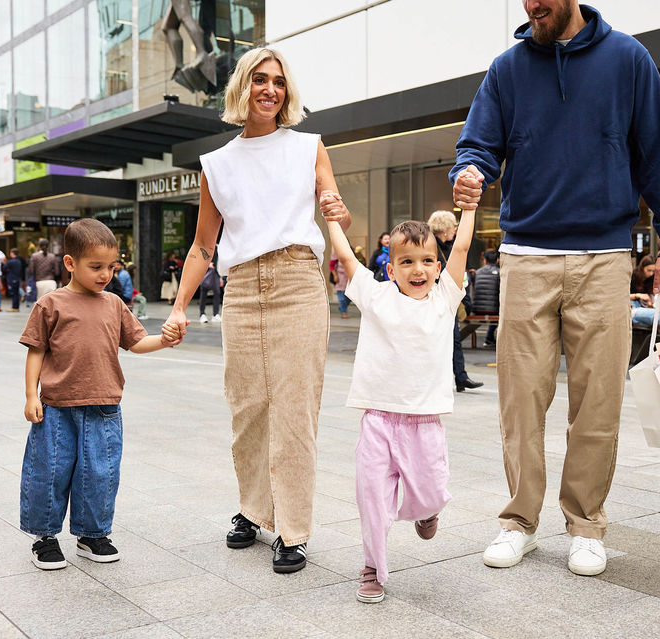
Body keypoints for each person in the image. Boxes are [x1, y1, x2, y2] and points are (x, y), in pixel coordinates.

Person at [451, 0, 660, 576]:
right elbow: (477, 142)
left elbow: (659, 152)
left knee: (597, 401)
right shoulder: (507, 69)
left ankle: (585, 523)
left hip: (604, 256)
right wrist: (472, 168)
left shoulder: (628, 59)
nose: (533, 5)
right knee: (520, 400)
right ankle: (519, 523)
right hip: (526, 254)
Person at [161, 47, 352, 574]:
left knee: (294, 409)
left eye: (279, 82)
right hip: (241, 286)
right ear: (242, 87)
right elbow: (203, 247)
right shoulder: (216, 164)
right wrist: (178, 308)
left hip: (296, 280)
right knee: (247, 408)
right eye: (260, 80)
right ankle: (253, 508)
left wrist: (341, 216)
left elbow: (335, 219)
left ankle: (292, 528)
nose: (270, 89)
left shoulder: (309, 146)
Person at [327, 200, 474, 604]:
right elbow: (343, 255)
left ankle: (426, 511)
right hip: (377, 419)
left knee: (432, 490)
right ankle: (372, 566)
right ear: (391, 270)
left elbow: (459, 249)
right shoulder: (376, 297)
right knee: (371, 495)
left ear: (438, 268)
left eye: (428, 260)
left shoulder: (445, 300)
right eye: (407, 262)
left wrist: (471, 211)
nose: (419, 269)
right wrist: (332, 221)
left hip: (425, 422)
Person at [19, 218, 176, 570]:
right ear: (70, 263)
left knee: (100, 473)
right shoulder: (51, 304)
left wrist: (163, 340)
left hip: (105, 407)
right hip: (57, 407)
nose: (105, 274)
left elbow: (136, 343)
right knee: (50, 471)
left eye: (111, 266)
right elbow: (35, 351)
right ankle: (44, 537)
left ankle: (92, 535)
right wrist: (32, 395)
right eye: (96, 267)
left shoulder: (115, 304)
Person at [428, 210, 483, 392]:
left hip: (446, 300)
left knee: (454, 339)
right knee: (438, 341)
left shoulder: (447, 247)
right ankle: (439, 379)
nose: (455, 230)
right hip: (432, 301)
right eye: (453, 226)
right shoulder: (431, 246)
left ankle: (461, 378)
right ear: (444, 229)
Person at [470, 248, 500, 347]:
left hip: (477, 309)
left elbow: (475, 287)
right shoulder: (500, 273)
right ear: (497, 260)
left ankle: (489, 338)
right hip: (494, 310)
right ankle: (489, 338)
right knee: (499, 311)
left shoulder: (477, 272)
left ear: (484, 260)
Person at [198, 254, 223, 323]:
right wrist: (206, 264)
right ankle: (202, 314)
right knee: (204, 293)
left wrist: (220, 277)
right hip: (205, 273)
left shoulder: (217, 248)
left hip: (215, 274)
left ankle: (215, 314)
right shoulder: (204, 247)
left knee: (217, 293)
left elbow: (219, 263)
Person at [4, 248, 25, 312]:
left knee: (14, 294)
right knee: (16, 293)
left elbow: (4, 268)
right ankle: (16, 307)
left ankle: (14, 307)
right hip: (17, 278)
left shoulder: (11, 261)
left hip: (12, 278)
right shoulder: (19, 261)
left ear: (12, 253)